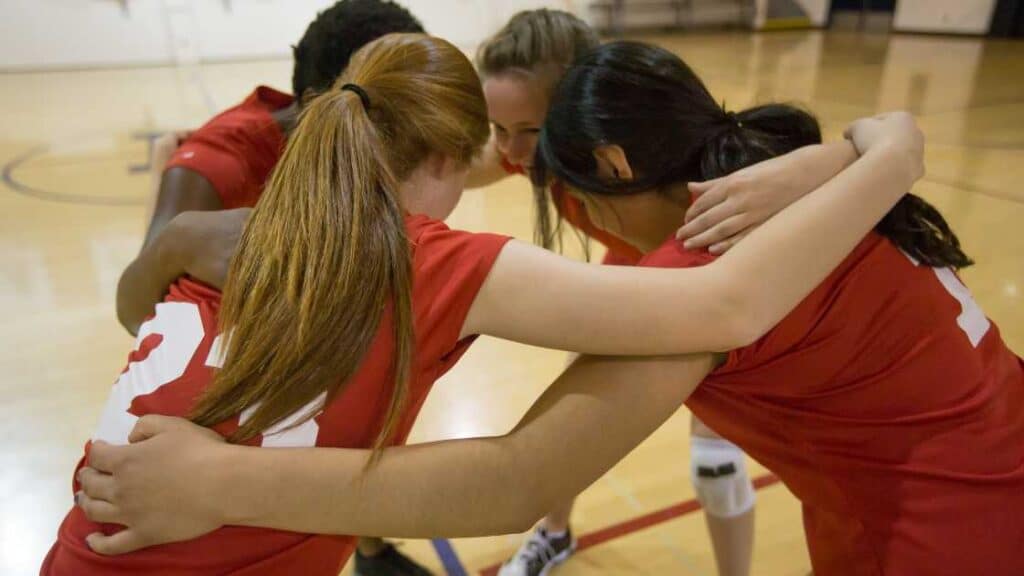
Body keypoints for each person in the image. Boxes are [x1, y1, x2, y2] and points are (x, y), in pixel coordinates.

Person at [76, 43, 1021, 576]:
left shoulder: (706, 276)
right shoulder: (746, 169)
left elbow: (520, 473)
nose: (515, 163)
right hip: (949, 453)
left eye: (532, 144)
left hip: (956, 522)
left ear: (604, 170)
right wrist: (866, 149)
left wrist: (889, 153)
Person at [114, 2, 430, 573]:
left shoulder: (367, 147)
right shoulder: (220, 158)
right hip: (223, 385)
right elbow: (134, 311)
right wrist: (178, 242)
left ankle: (372, 547)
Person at [468, 12, 764, 575]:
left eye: (527, 130)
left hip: (704, 279)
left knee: (715, 464)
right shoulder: (533, 149)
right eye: (498, 129)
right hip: (635, 273)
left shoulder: (673, 168)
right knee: (570, 416)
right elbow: (454, 169)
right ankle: (555, 534)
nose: (510, 150)